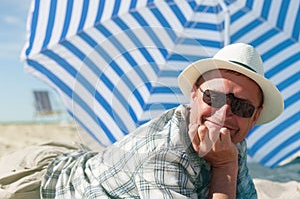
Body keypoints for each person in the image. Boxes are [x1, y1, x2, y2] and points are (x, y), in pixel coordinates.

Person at [0, 43, 284, 199]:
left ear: (255, 116)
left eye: (242, 107)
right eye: (214, 98)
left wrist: (229, 162)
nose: (224, 115)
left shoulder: (231, 140)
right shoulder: (163, 152)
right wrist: (224, 166)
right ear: (194, 95)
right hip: (43, 180)